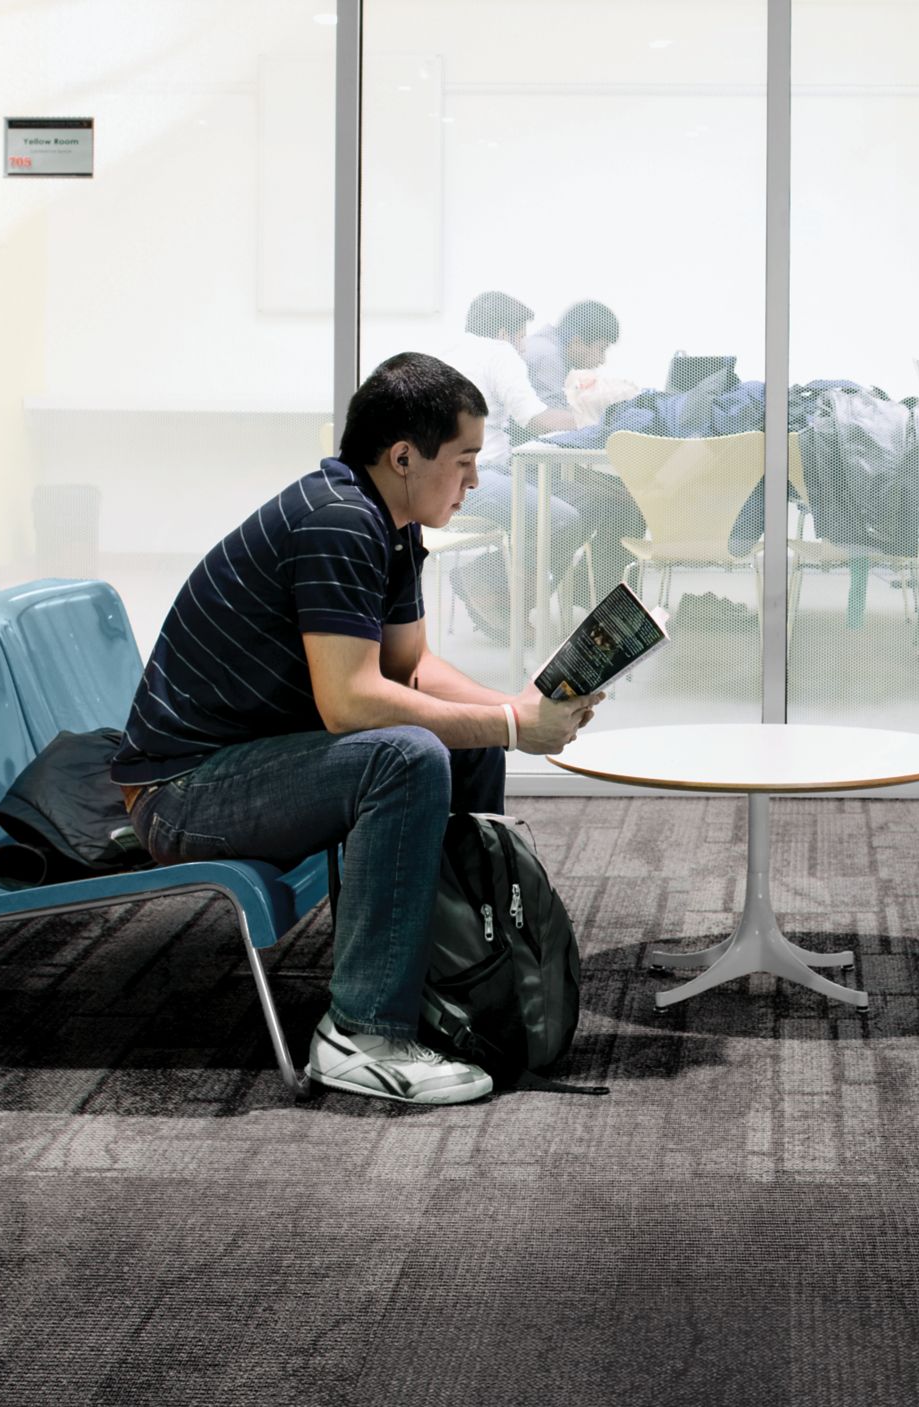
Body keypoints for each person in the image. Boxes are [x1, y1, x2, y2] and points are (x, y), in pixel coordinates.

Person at [110, 352, 601, 1106]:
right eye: (464, 460)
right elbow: (350, 703)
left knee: (461, 738)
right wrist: (508, 723)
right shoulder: (338, 521)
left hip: (252, 766)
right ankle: (360, 1032)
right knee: (405, 757)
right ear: (404, 457)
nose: (475, 479)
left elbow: (411, 667)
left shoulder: (390, 522)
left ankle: (452, 975)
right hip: (183, 794)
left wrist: (514, 712)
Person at [447, 289, 587, 640]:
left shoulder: (445, 351)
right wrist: (592, 417)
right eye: (521, 336)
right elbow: (535, 418)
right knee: (563, 518)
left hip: (436, 478)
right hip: (470, 479)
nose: (524, 347)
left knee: (576, 499)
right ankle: (505, 602)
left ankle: (489, 584)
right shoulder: (499, 354)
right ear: (502, 334)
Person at [523, 299, 621, 406]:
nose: (602, 360)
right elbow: (549, 417)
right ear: (577, 342)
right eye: (601, 349)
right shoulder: (548, 358)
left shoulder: (546, 346)